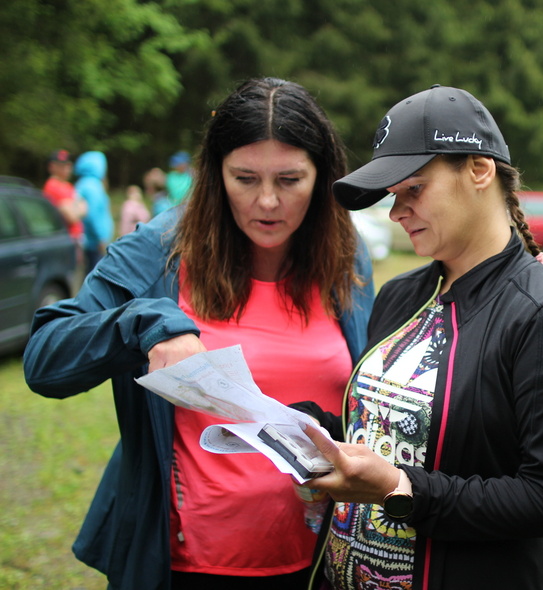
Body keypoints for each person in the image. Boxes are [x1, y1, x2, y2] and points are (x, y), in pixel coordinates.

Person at [23, 77, 375, 590]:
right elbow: (44, 359)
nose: (269, 201)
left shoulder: (345, 255)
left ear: (323, 178)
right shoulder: (161, 248)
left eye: (291, 180)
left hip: (319, 560)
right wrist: (145, 324)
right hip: (187, 565)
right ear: (215, 174)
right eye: (246, 178)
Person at [300, 85, 543, 590]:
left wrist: (400, 490)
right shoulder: (398, 295)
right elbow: (404, 431)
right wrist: (314, 431)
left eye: (413, 189)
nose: (397, 212)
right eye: (392, 195)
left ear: (480, 170)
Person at [74, 150, 114, 273]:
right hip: (93, 243)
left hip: (84, 241)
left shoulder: (81, 184)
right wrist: (101, 238)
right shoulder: (94, 187)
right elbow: (93, 215)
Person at [42, 148, 87, 243]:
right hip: (66, 239)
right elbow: (71, 217)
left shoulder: (68, 185)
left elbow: (85, 207)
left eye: (68, 165)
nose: (67, 168)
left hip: (77, 237)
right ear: (52, 166)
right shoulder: (52, 186)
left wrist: (76, 208)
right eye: (61, 165)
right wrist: (78, 207)